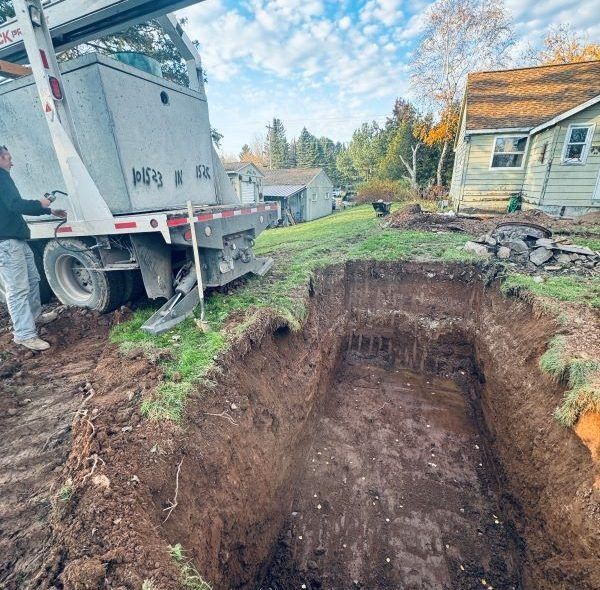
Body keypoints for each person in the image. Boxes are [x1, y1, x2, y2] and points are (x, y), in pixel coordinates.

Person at [0, 146, 67, 351]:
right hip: (7, 244)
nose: (12, 162)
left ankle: (35, 317)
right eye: (9, 158)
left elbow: (10, 208)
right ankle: (24, 335)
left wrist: (48, 210)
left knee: (32, 279)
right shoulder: (2, 177)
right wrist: (42, 203)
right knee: (17, 290)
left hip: (15, 240)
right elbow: (16, 205)